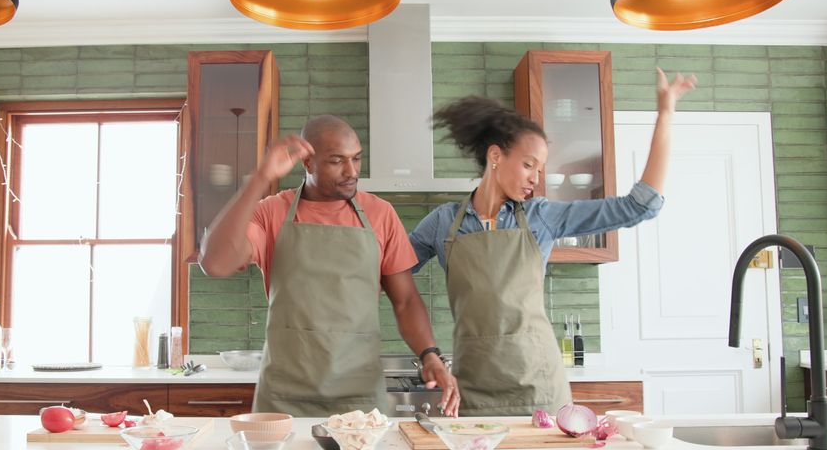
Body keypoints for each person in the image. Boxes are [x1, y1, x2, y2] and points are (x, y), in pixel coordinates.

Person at [409, 68, 697, 416]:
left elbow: (640, 205)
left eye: (540, 169)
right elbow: (392, 276)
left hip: (539, 383)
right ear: (496, 156)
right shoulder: (442, 223)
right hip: (472, 388)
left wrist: (665, 113)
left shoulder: (541, 216)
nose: (535, 178)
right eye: (529, 164)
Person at [199, 115, 459, 417]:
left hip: (358, 397)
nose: (352, 171)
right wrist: (260, 177)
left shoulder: (380, 214)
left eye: (356, 159)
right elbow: (215, 263)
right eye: (337, 161)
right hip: (284, 395)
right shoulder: (272, 212)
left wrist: (430, 354)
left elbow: (405, 300)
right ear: (307, 163)